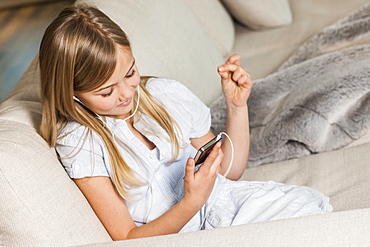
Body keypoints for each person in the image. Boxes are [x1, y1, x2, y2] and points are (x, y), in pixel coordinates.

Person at [39, 5, 332, 241]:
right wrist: (192, 201)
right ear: (71, 93)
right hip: (189, 233)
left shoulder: (163, 94)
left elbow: (230, 172)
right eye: (106, 91)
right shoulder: (80, 141)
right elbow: (127, 236)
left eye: (130, 73)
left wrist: (236, 105)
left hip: (228, 205)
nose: (127, 94)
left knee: (312, 216)